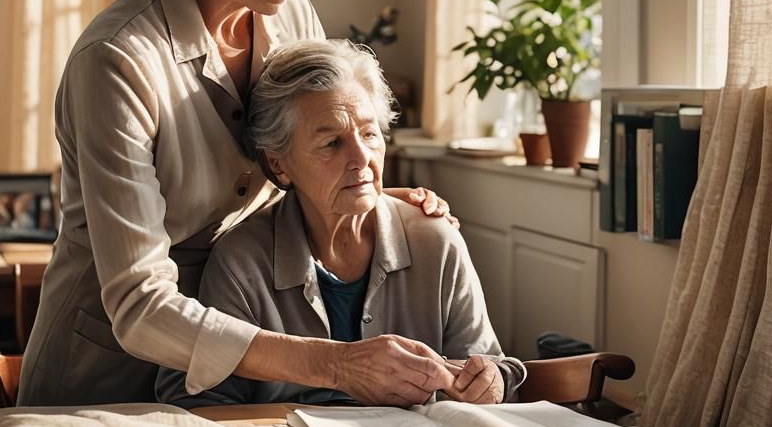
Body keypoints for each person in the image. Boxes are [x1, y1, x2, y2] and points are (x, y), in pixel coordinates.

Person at [18, 0, 457, 407]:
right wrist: (337, 364)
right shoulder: (117, 61)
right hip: (111, 369)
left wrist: (360, 191)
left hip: (240, 360)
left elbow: (298, 149)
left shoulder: (293, 15)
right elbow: (140, 302)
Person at [157, 40, 524, 408]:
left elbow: (489, 365)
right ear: (279, 164)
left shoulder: (436, 240)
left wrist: (492, 380)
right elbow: (199, 403)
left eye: (368, 133)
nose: (362, 157)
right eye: (332, 143)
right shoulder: (241, 263)